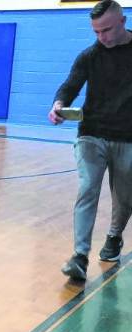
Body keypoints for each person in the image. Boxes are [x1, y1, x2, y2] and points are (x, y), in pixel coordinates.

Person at [49, 0, 132, 281]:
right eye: (96, 32)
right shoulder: (90, 56)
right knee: (87, 188)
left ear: (122, 21)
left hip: (128, 137)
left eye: (107, 30)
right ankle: (80, 256)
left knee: (124, 199)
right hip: (92, 133)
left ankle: (114, 237)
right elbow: (70, 85)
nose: (102, 37)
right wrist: (59, 104)